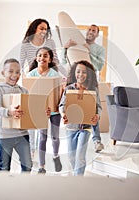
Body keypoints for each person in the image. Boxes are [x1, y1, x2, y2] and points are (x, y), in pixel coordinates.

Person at [20, 18, 61, 158]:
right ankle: (32, 152)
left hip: (52, 109)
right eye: (41, 28)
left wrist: (65, 78)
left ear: (49, 59)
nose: (44, 31)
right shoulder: (26, 45)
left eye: (46, 29)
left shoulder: (53, 73)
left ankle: (54, 155)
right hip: (37, 106)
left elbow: (57, 63)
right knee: (34, 130)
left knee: (50, 135)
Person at [61, 24, 105, 153]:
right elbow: (65, 61)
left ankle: (96, 140)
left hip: (89, 81)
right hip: (74, 80)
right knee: (74, 107)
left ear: (97, 34)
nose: (91, 32)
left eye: (94, 31)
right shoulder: (77, 43)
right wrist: (65, 48)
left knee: (91, 108)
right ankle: (74, 133)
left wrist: (89, 52)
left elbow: (99, 66)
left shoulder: (99, 49)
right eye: (89, 30)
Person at [59, 60, 101, 176]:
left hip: (85, 127)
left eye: (84, 72)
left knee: (80, 156)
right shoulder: (69, 89)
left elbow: (99, 107)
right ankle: (76, 174)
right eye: (78, 72)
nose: (80, 75)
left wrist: (97, 115)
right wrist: (63, 114)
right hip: (71, 127)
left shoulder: (93, 90)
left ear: (89, 74)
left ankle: (78, 180)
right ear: (74, 73)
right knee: (72, 156)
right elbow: (61, 105)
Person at [0, 58, 34, 172]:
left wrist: (43, 112)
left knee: (28, 165)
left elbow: (30, 111)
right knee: (4, 167)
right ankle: (5, 189)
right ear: (3, 73)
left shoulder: (24, 91)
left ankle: (23, 187)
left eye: (17, 72)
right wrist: (9, 111)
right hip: (5, 136)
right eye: (10, 71)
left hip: (22, 135)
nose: (14, 75)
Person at [27, 47, 62, 174]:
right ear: (36, 58)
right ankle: (42, 166)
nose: (42, 58)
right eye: (40, 55)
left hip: (54, 111)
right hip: (41, 111)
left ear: (50, 59)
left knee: (55, 137)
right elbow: (28, 93)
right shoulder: (31, 75)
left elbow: (60, 93)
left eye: (45, 56)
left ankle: (56, 156)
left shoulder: (55, 75)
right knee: (42, 137)